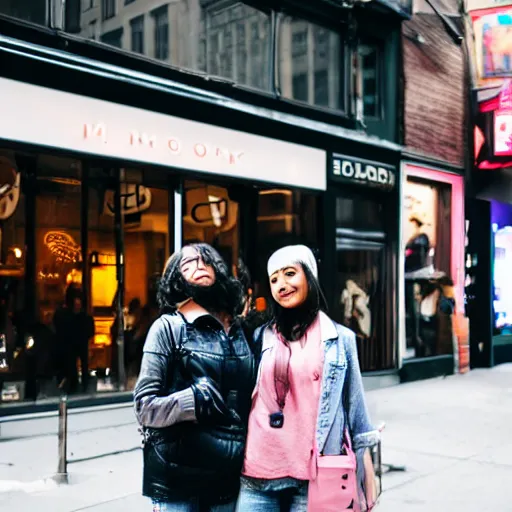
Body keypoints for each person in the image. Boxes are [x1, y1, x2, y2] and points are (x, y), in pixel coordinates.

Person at [237, 245, 379, 512]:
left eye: (290, 273)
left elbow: (356, 410)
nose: (282, 285)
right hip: (257, 475)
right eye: (274, 279)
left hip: (313, 477)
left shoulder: (339, 339)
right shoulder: (260, 337)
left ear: (309, 276)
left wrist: (367, 471)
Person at [134, 243, 255, 512]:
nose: (199, 265)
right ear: (177, 280)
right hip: (178, 483)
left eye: (205, 261)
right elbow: (144, 407)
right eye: (187, 264)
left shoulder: (241, 331)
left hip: (228, 480)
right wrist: (192, 401)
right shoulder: (168, 328)